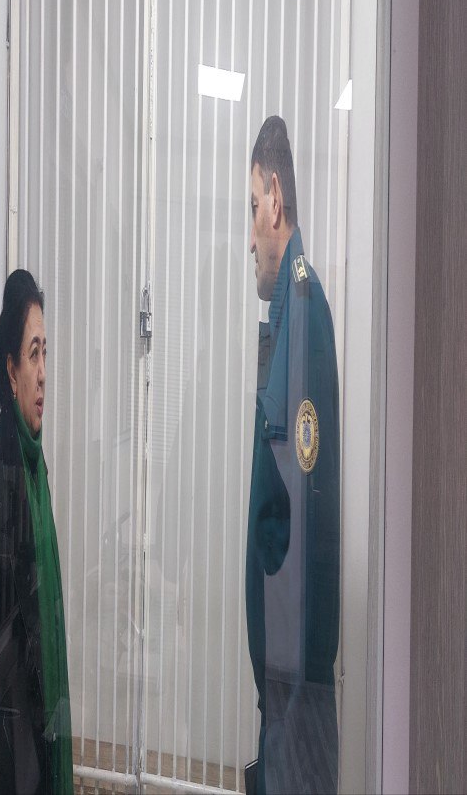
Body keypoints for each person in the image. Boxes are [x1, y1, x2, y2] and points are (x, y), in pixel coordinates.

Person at [245, 116, 340, 794]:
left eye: (253, 206)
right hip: (282, 681)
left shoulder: (302, 310)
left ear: (275, 198)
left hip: (293, 682)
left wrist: (284, 674)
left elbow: (300, 520)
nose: (250, 236)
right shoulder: (287, 315)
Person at [0, 269, 73, 794]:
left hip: (35, 728)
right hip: (12, 753)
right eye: (33, 355)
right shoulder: (0, 467)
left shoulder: (33, 464)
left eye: (46, 353)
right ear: (10, 373)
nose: (44, 373)